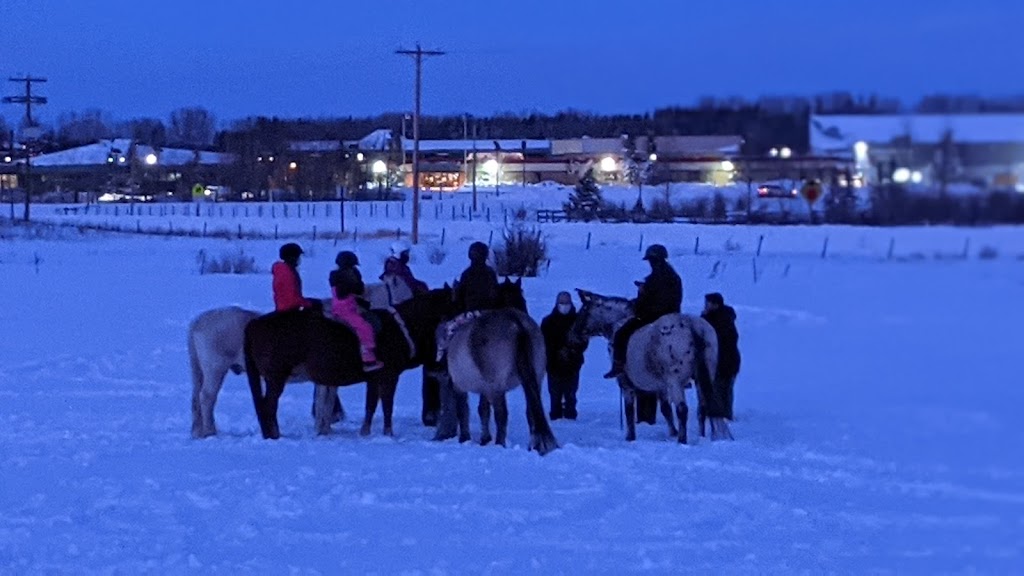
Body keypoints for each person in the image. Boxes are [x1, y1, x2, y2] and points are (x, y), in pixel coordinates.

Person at [604, 244, 683, 379]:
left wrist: (640, 298)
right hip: (673, 315)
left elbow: (651, 300)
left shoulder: (653, 279)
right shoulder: (674, 277)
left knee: (622, 334)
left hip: (652, 316)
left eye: (651, 261)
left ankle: (619, 364)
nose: (650, 264)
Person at [436, 241, 500, 362]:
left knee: (448, 330)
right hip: (491, 313)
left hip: (472, 314)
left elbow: (458, 298)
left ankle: (442, 359)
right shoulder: (491, 273)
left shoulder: (467, 274)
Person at [329, 251, 382, 372]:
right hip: (344, 309)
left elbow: (358, 291)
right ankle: (368, 358)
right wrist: (353, 282)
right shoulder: (338, 276)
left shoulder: (343, 274)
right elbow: (345, 293)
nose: (353, 268)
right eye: (351, 266)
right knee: (365, 328)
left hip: (351, 305)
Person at [541, 291, 587, 420]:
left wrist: (572, 351)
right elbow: (543, 342)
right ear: (556, 303)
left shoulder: (578, 322)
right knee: (554, 393)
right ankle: (555, 415)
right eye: (562, 303)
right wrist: (556, 352)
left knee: (571, 392)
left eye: (566, 303)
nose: (564, 306)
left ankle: (570, 415)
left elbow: (583, 341)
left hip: (573, 363)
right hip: (553, 363)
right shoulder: (548, 322)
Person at [702, 292, 741, 420]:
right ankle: (724, 414)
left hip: (722, 360)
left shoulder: (717, 321)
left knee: (719, 388)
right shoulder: (725, 318)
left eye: (708, 303)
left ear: (715, 305)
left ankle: (719, 416)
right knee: (725, 389)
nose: (705, 306)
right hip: (729, 360)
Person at [271, 242, 318, 312]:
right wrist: (306, 304)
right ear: (291, 258)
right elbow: (291, 298)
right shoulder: (286, 274)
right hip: (290, 310)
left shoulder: (287, 270)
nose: (299, 259)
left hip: (287, 307)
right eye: (297, 257)